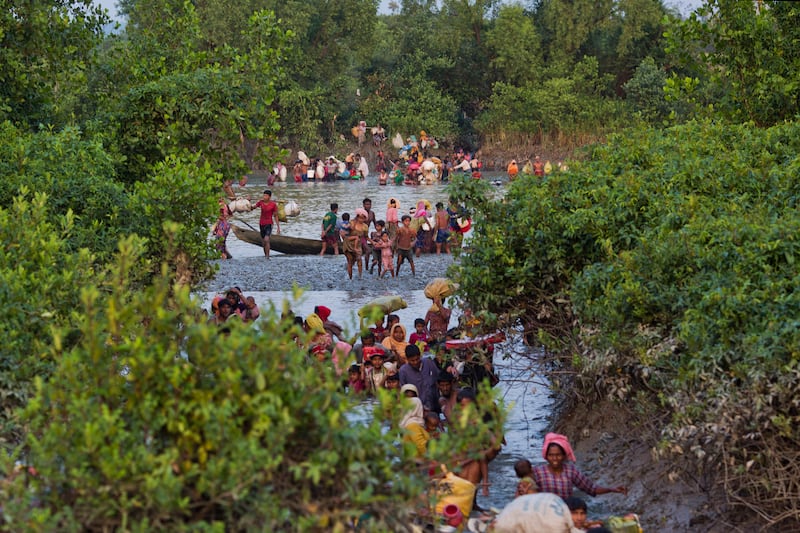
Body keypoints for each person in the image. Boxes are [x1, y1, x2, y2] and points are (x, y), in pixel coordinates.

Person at [532, 432, 627, 501]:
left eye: (558, 455)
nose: (555, 458)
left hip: (566, 514)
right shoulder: (538, 473)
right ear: (546, 456)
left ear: (564, 456)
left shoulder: (570, 471)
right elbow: (523, 492)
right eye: (551, 455)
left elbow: (591, 488)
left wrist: (611, 489)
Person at [399, 344, 439, 413]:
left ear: (420, 356)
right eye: (412, 360)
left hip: (434, 404)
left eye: (417, 359)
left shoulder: (429, 363)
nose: (415, 362)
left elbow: (438, 378)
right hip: (416, 409)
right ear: (407, 359)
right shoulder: (403, 371)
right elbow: (404, 391)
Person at [400, 392, 430, 458]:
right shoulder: (412, 425)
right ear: (417, 408)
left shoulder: (409, 423)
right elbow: (421, 445)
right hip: (418, 463)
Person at [252, 190, 280, 259]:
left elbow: (275, 216)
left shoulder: (273, 204)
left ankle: (267, 256)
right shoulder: (260, 202)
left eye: (266, 196)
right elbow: (253, 208)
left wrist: (278, 227)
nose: (264, 197)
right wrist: (249, 202)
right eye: (263, 195)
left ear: (269, 197)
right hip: (261, 224)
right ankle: (265, 256)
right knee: (263, 242)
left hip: (269, 224)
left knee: (266, 239)